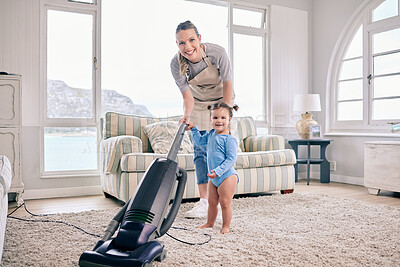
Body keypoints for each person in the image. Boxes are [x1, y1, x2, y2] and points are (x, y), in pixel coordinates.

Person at [170, 20, 236, 218]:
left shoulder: (217, 53)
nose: (187, 47)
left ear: (199, 38)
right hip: (198, 102)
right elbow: (187, 97)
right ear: (177, 44)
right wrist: (187, 116)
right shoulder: (176, 64)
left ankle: (223, 197)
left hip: (221, 98)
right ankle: (204, 202)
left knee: (221, 147)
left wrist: (224, 112)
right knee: (200, 150)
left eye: (191, 40)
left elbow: (227, 83)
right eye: (181, 43)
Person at [187, 102, 239, 234]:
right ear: (211, 119)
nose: (219, 121)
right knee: (211, 202)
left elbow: (231, 159)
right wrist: (194, 129)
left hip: (227, 176)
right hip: (213, 177)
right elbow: (199, 142)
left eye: (223, 118)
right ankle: (210, 223)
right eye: (215, 118)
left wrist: (218, 171)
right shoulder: (211, 134)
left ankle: (226, 226)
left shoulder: (229, 140)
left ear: (229, 120)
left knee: (225, 202)